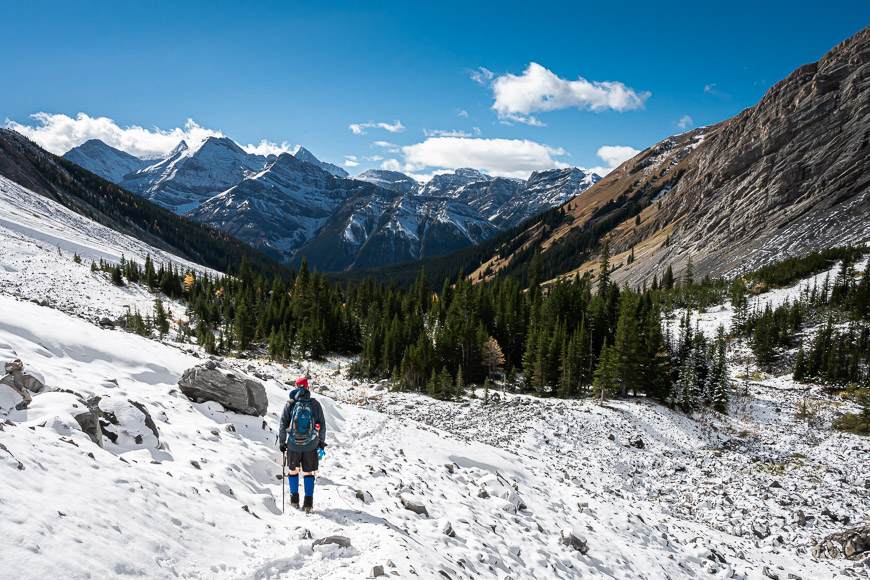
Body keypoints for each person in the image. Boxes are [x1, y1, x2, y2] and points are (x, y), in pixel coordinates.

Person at [278, 376, 327, 512]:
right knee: (308, 472)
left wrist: (282, 442)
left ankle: (294, 501)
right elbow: (322, 425)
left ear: (296, 386)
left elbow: (282, 424)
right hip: (311, 445)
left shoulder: (290, 403)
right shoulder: (315, 404)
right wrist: (321, 442)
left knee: (293, 471)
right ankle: (308, 504)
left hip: (293, 444)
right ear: (307, 387)